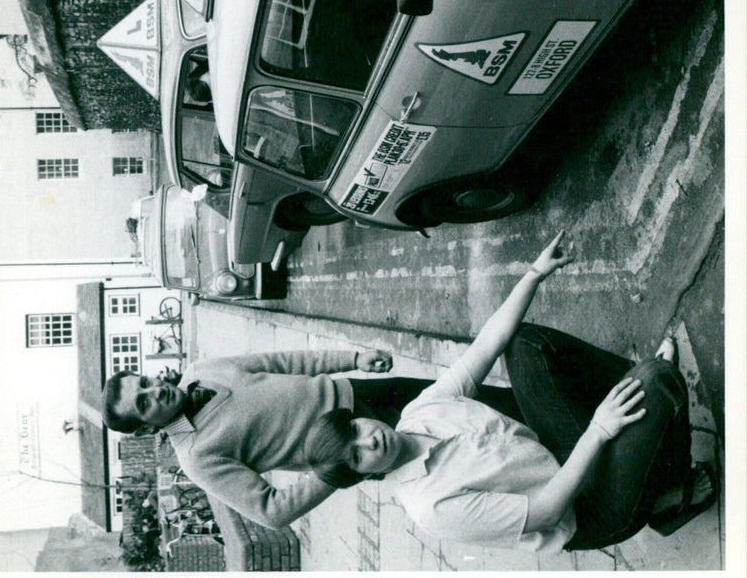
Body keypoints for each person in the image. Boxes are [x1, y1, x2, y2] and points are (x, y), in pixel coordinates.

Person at [304, 231, 716, 553]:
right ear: (365, 475)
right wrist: (599, 429)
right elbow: (546, 510)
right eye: (358, 455)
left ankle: (636, 394)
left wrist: (534, 274)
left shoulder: (418, 412)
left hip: (554, 451)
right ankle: (671, 490)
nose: (370, 438)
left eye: (356, 429)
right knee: (660, 384)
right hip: (583, 510)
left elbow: (487, 345)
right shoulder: (430, 507)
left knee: (525, 345)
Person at [102, 347, 436, 528]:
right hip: (368, 448)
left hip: (365, 392)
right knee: (457, 450)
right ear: (146, 428)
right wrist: (341, 465)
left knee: (474, 398)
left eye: (145, 382)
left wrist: (352, 359)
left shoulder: (201, 370)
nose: (155, 390)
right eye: (144, 402)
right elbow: (270, 511)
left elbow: (284, 361)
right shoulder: (197, 457)